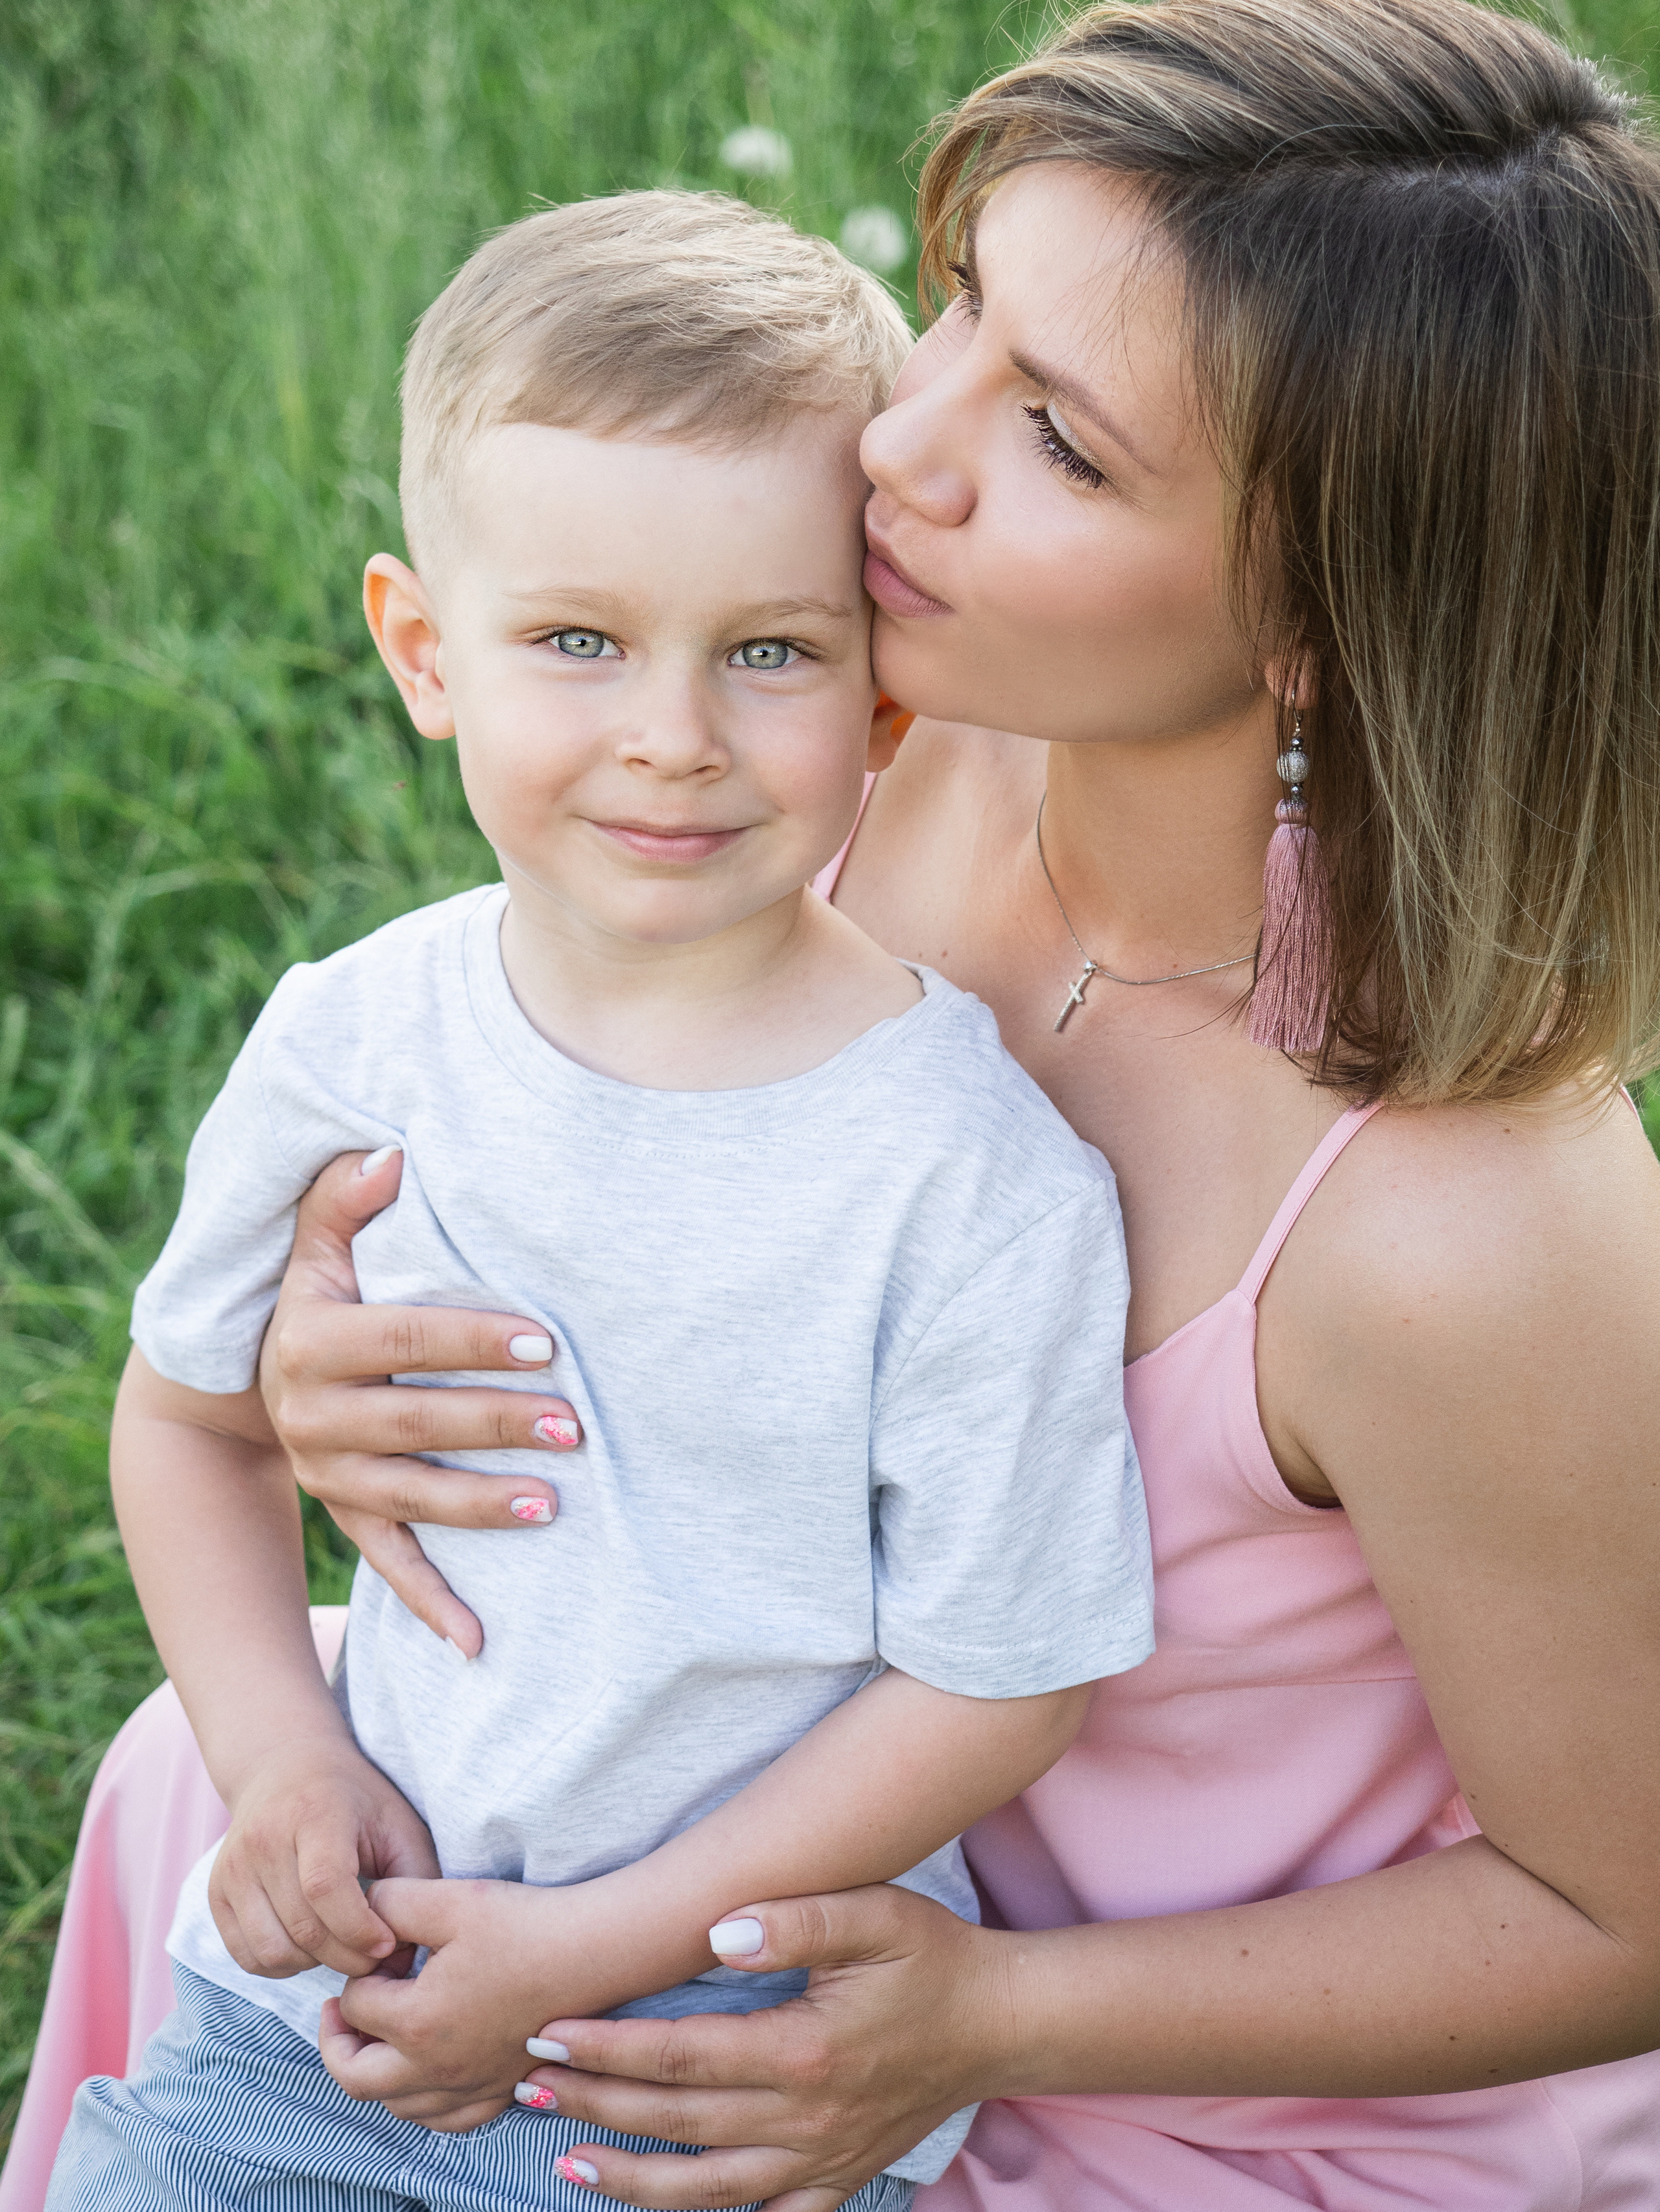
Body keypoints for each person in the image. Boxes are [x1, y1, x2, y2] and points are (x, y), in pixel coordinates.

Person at [7, 0, 1660, 2206]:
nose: (903, 446)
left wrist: (984, 2018)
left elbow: (1619, 1914)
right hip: (708, 1855)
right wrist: (328, 1364)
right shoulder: (898, 732)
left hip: (1169, 2071)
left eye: (1062, 444)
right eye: (968, 305)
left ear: (1323, 614)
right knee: (210, 1775)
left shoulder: (1467, 1222)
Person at [39, 191, 1157, 2212]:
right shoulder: (352, 1039)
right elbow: (192, 1420)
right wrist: (283, 1758)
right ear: (420, 647)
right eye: (576, 639)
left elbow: (1003, 1678)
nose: (672, 736)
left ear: (885, 702)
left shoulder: (970, 1175)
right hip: (317, 2014)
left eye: (768, 652)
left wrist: (595, 1941)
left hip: (724, 2083)